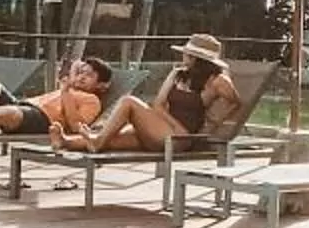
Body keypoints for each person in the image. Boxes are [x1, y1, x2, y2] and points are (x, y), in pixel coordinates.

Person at [64, 33, 246, 154]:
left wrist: (215, 124)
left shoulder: (217, 81)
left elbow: (237, 103)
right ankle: (65, 142)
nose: (184, 57)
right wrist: (175, 126)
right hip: (167, 131)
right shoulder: (177, 74)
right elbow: (158, 105)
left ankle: (96, 141)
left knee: (128, 101)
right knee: (112, 137)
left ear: (197, 58)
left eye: (188, 54)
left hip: (181, 140)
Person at [0, 56, 105, 138]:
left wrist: (66, 92)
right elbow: (75, 69)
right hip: (24, 107)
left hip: (44, 120)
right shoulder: (70, 88)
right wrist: (72, 76)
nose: (82, 77)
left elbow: (76, 127)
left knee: (5, 112)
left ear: (100, 85)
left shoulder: (92, 100)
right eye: (81, 73)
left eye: (89, 75)